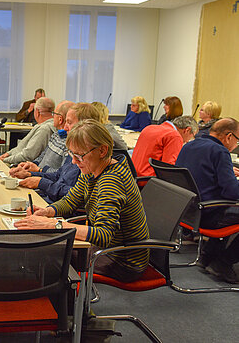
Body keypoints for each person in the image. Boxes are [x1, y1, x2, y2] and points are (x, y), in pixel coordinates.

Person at [15, 119, 150, 282]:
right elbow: (71, 201)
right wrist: (48, 212)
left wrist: (54, 224)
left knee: (48, 254)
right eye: (72, 154)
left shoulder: (111, 181)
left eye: (79, 156)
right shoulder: (92, 169)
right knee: (47, 248)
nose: (73, 161)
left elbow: (104, 234)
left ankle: (65, 305)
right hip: (106, 249)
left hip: (121, 261)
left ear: (102, 150)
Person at [175, 118, 239, 283]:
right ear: (228, 136)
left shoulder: (189, 145)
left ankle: (208, 256)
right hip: (208, 215)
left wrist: (227, 173)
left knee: (227, 208)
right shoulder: (220, 152)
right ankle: (223, 263)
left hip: (187, 212)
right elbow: (232, 192)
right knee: (230, 208)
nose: (236, 145)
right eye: (238, 140)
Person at [10, 101, 74, 177]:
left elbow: (60, 175)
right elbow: (42, 156)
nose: (52, 117)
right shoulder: (56, 134)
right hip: (38, 176)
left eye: (54, 114)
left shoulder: (69, 144)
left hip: (43, 180)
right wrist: (30, 165)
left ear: (60, 119)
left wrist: (35, 172)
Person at [131, 115, 198, 177]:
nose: (187, 141)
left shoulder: (149, 128)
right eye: (192, 136)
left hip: (132, 176)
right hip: (148, 179)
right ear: (187, 130)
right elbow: (169, 168)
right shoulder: (174, 136)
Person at [0, 97, 56, 165]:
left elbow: (27, 155)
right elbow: (22, 146)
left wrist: (6, 159)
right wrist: (8, 154)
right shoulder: (42, 126)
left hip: (29, 166)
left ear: (37, 112)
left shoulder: (44, 129)